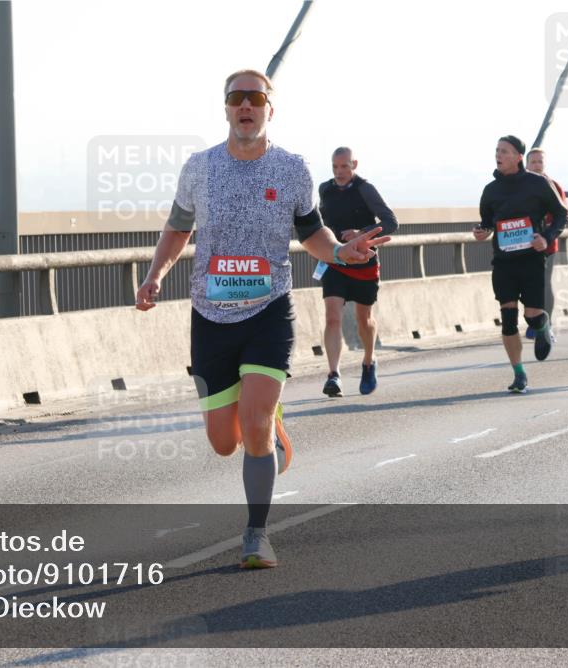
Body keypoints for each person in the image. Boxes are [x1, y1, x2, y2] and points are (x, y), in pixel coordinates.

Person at [135, 70, 388, 569]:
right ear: (225, 108)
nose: (245, 106)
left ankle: (256, 533)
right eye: (236, 98)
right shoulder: (199, 167)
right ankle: (266, 422)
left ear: (271, 109)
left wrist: (339, 252)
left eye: (256, 98)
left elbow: (312, 233)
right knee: (222, 442)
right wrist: (154, 275)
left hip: (269, 311)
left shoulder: (291, 169)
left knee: (251, 430)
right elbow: (177, 228)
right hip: (210, 316)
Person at [474, 135, 567, 394]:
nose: (498, 155)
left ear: (518, 157)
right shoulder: (490, 190)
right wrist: (482, 232)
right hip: (503, 261)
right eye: (497, 150)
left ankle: (542, 326)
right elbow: (487, 222)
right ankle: (519, 374)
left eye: (504, 151)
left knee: (532, 315)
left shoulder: (538, 184)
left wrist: (546, 238)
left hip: (531, 259)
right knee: (508, 319)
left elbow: (562, 213)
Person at [317, 147, 399, 397]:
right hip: (335, 261)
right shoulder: (325, 189)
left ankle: (369, 360)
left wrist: (361, 232)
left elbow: (391, 222)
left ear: (354, 164)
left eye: (344, 167)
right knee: (333, 317)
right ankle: (333, 375)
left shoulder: (366, 189)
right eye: (335, 167)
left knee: (363, 320)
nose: (339, 172)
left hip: (363, 263)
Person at [524, 147, 567, 339]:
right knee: (526, 285)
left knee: (544, 284)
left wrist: (546, 236)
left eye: (540, 162)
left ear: (545, 164)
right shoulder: (519, 186)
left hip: (547, 246)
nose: (536, 165)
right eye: (533, 162)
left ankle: (547, 324)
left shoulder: (553, 186)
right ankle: (534, 322)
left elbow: (561, 215)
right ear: (526, 164)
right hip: (523, 247)